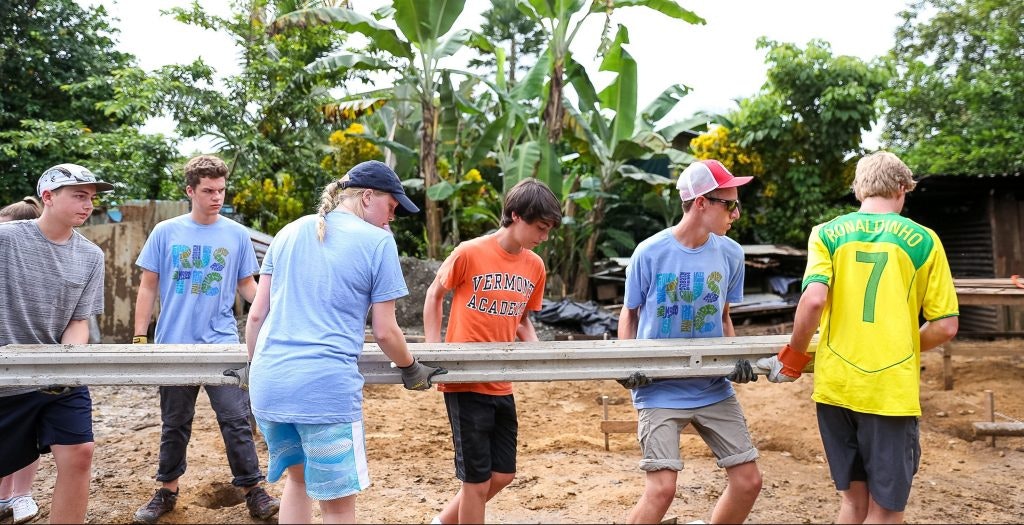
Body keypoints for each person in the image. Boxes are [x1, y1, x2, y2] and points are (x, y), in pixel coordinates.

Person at [757, 151, 959, 524]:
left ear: (858, 190)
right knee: (885, 512)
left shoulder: (826, 233)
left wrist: (795, 357)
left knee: (852, 504)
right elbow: (945, 325)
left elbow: (814, 299)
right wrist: (904, 343)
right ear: (902, 188)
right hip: (889, 390)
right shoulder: (926, 240)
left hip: (836, 385)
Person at [243, 160, 445, 524]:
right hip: (323, 392)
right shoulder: (379, 241)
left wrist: (253, 368)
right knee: (337, 504)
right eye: (392, 206)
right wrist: (411, 368)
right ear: (368, 197)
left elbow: (256, 316)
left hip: (269, 384)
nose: (392, 217)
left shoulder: (289, 231)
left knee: (298, 482)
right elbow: (385, 331)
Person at [131, 155, 279, 524]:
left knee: (236, 418)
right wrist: (139, 336)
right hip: (174, 343)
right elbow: (147, 286)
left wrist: (277, 314)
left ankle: (253, 491)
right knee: (175, 422)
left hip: (222, 342)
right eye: (209, 191)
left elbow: (248, 285)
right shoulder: (166, 231)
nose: (217, 197)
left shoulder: (235, 234)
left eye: (221, 190)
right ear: (190, 191)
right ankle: (167, 491)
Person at [617, 159, 762, 524]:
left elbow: (725, 316)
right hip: (659, 388)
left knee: (748, 482)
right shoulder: (650, 252)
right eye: (729, 204)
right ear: (701, 202)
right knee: (662, 489)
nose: (737, 214)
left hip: (712, 387)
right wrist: (626, 365)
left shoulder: (731, 253)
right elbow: (630, 314)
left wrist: (735, 362)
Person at [424, 177, 562, 525]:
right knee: (476, 481)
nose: (543, 236)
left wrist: (538, 354)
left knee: (503, 474)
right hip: (465, 379)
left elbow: (520, 320)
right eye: (540, 227)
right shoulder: (470, 252)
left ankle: (441, 522)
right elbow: (433, 296)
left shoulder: (534, 266)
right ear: (515, 215)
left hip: (502, 379)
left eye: (548, 230)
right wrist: (433, 352)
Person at [0, 164, 113, 523]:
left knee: (80, 452)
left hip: (55, 374)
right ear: (47, 197)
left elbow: (79, 323)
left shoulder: (91, 256)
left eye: (91, 198)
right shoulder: (6, 239)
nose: (87, 205)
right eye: (79, 196)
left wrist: (68, 364)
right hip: (4, 376)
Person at [0, 195, 44, 524]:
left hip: (33, 364)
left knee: (28, 434)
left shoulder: (41, 268)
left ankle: (21, 494)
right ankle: (4, 497)